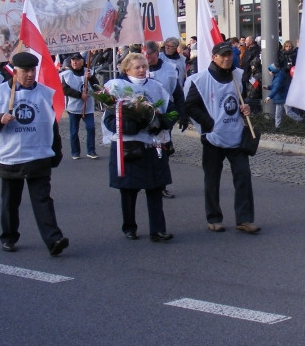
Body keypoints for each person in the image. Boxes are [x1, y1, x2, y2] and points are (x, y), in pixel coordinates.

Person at [0, 51, 68, 256]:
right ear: (15, 72)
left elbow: (51, 125)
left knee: (43, 200)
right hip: (10, 157)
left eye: (32, 70)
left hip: (38, 155)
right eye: (25, 71)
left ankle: (54, 239)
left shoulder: (44, 93)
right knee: (10, 201)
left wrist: (56, 151)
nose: (30, 74)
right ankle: (9, 237)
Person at [184, 41, 260, 234]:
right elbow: (190, 106)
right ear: (214, 57)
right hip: (213, 137)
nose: (227, 59)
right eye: (223, 55)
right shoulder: (200, 80)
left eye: (229, 55)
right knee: (212, 178)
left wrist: (246, 109)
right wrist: (209, 124)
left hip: (236, 135)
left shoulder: (237, 76)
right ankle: (214, 217)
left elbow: (240, 100)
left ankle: (244, 219)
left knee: (243, 176)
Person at [102, 52, 176, 242]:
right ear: (126, 69)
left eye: (144, 66)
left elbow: (171, 111)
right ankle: (129, 226)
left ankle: (158, 229)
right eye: (137, 67)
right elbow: (110, 120)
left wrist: (161, 123)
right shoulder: (116, 87)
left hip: (153, 144)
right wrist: (131, 126)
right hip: (129, 146)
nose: (142, 70)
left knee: (155, 187)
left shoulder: (156, 87)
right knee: (129, 189)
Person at [144, 40, 186, 197]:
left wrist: (182, 114)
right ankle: (147, 180)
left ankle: (161, 185)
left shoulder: (169, 69)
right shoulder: (138, 67)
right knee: (146, 151)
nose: (146, 57)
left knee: (163, 151)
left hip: (164, 115)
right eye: (144, 54)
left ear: (156, 52)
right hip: (143, 116)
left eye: (149, 54)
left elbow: (177, 93)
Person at [60, 53, 101, 160]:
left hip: (87, 107)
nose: (74, 62)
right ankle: (75, 152)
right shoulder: (66, 74)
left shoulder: (89, 72)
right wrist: (79, 95)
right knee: (74, 131)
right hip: (73, 107)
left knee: (91, 128)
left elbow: (97, 87)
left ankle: (91, 151)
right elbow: (65, 89)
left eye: (77, 60)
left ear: (82, 62)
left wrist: (91, 78)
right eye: (73, 60)